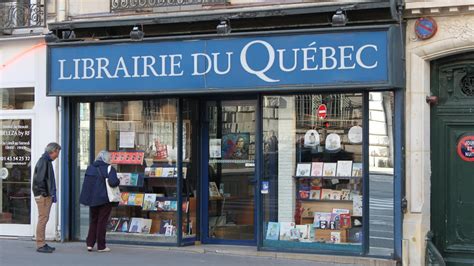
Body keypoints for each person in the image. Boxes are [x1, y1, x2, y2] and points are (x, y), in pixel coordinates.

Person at [79, 150, 120, 252]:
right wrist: (119, 180)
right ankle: (101, 246)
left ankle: (90, 243)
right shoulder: (109, 168)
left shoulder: (90, 168)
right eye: (110, 158)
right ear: (106, 159)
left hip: (92, 199)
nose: (111, 160)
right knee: (102, 222)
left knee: (94, 220)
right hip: (104, 199)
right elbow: (113, 182)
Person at [32, 142, 61, 253]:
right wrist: (45, 194)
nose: (57, 155)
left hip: (43, 195)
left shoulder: (45, 161)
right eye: (57, 152)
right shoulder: (44, 162)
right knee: (43, 219)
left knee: (44, 218)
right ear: (52, 151)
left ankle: (42, 243)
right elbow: (40, 180)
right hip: (43, 196)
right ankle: (40, 244)